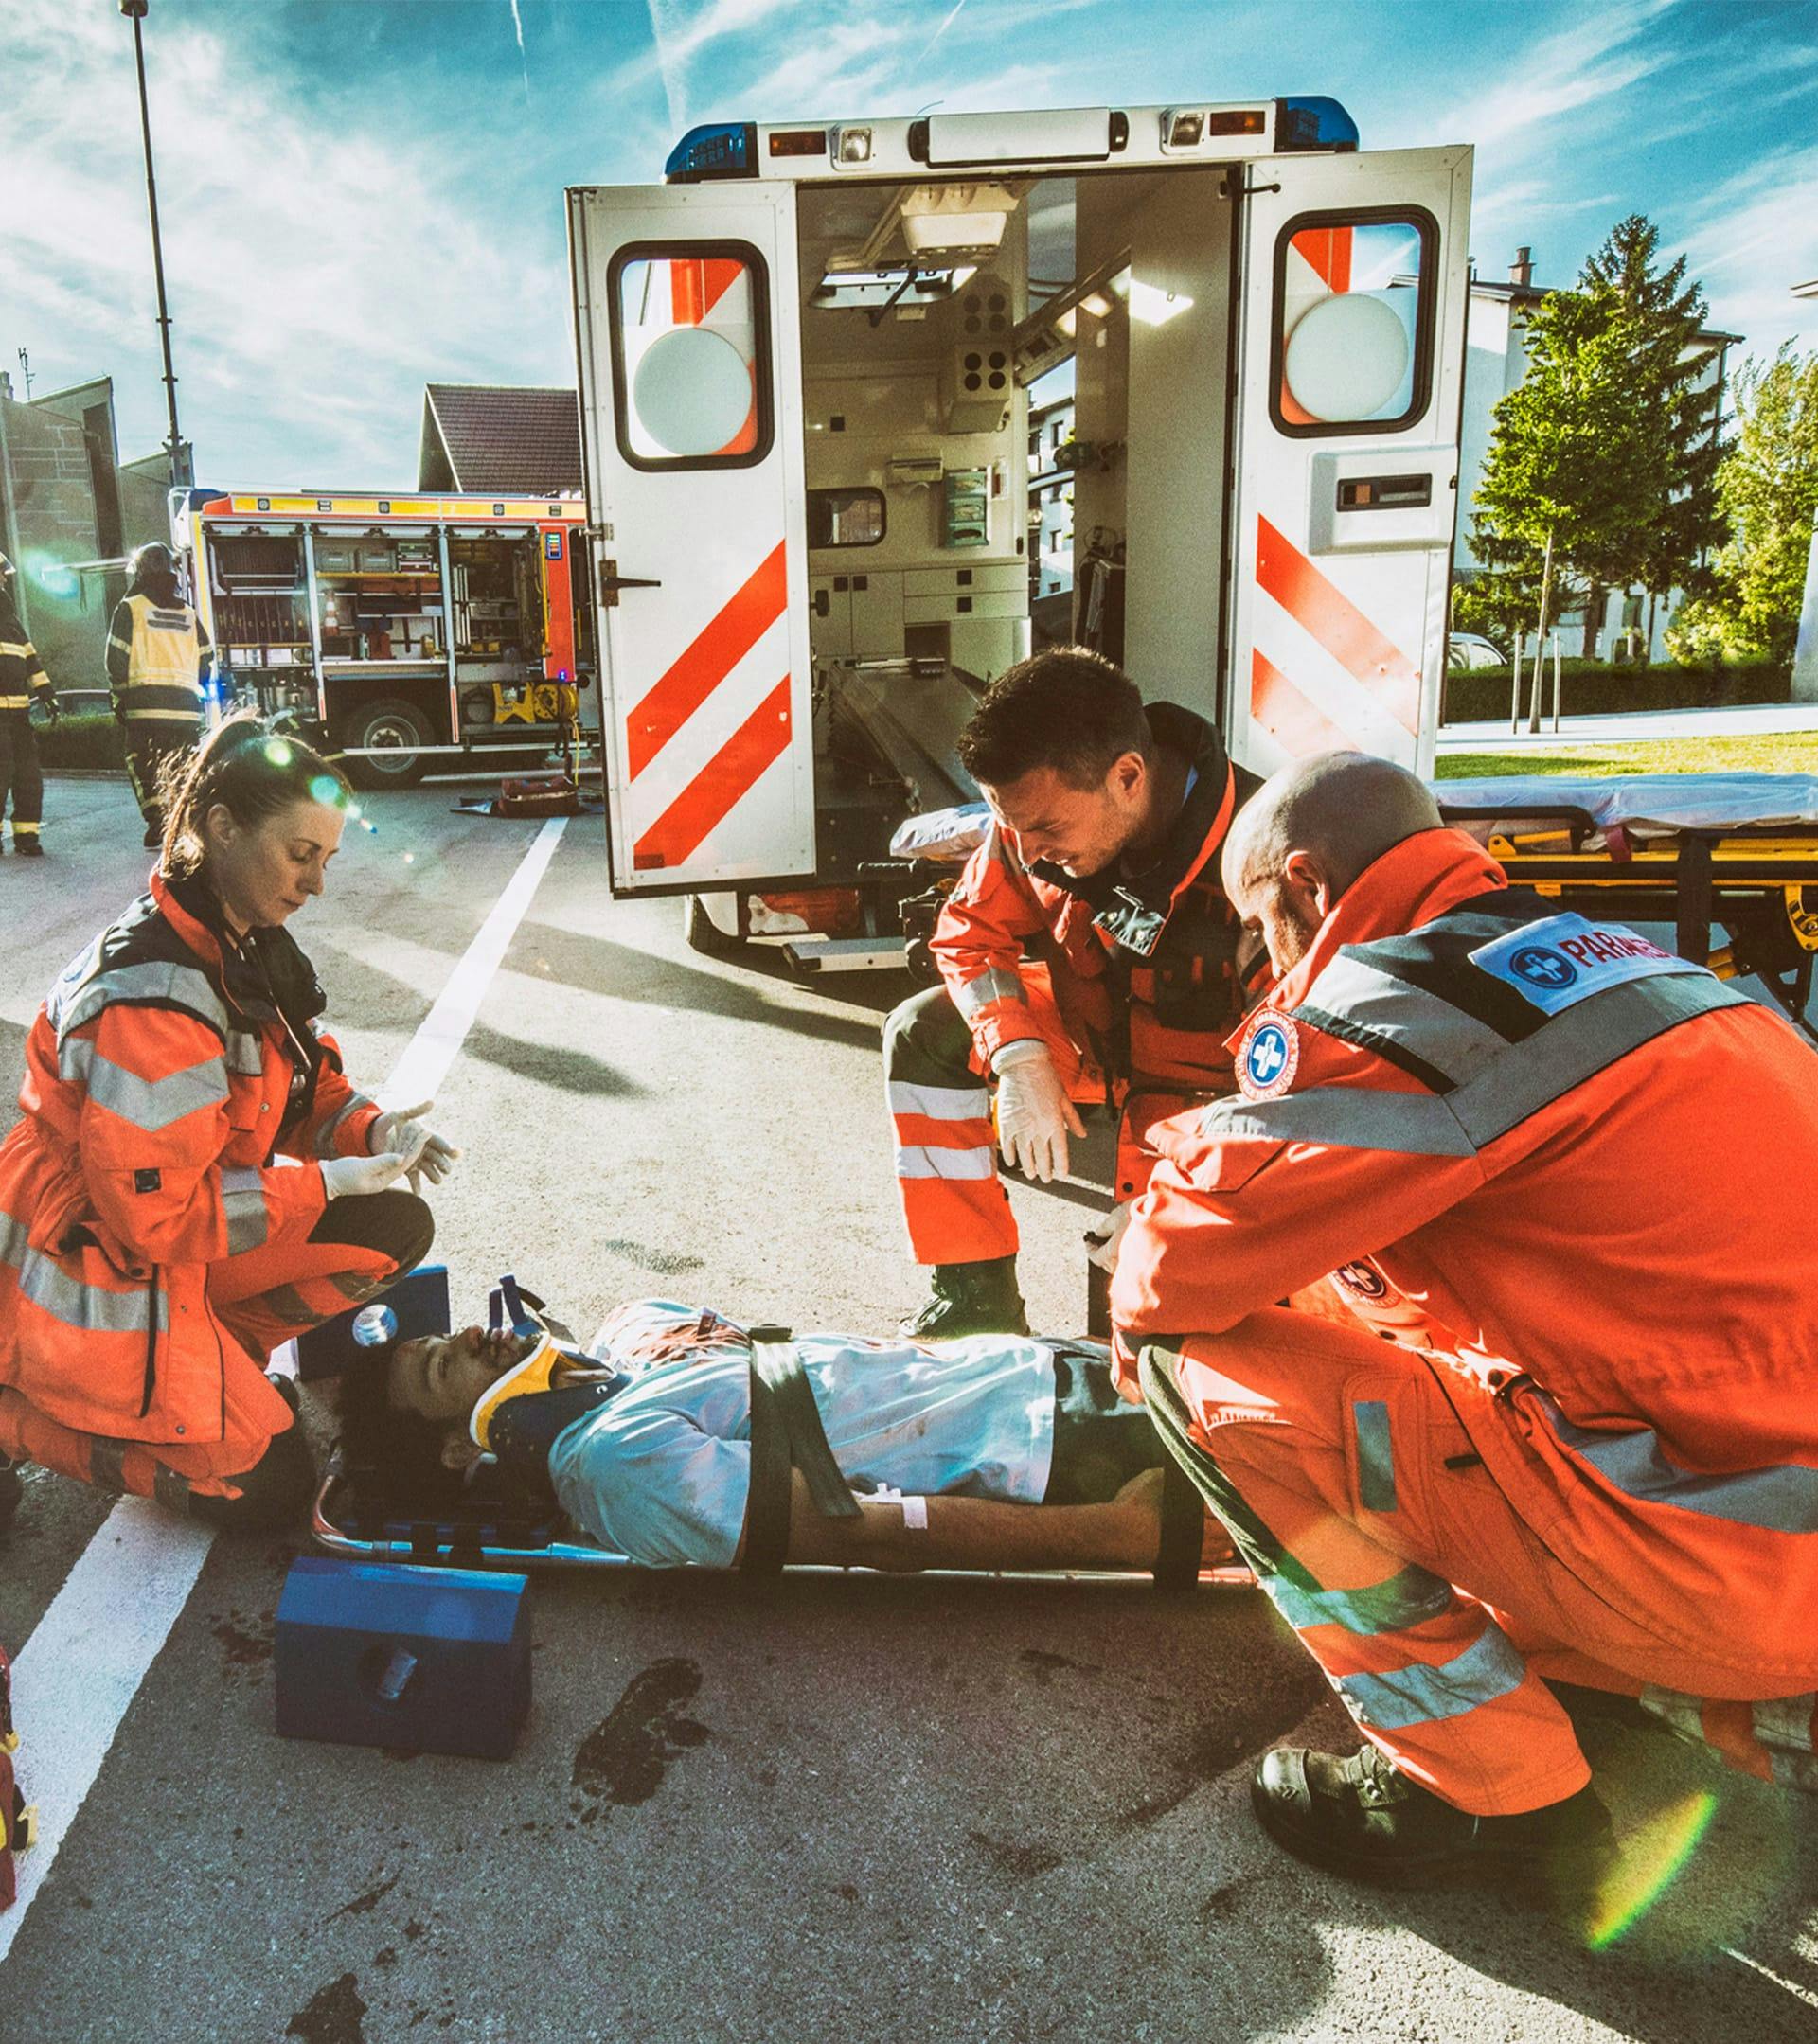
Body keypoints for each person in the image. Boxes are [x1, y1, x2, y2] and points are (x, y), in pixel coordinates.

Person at [1109, 749, 1818, 1890]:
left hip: (1714, 1565)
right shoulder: (1648, 969)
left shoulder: (1414, 1001)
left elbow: (1173, 1266)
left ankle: (1480, 1780)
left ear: (1305, 885)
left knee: (1187, 1363)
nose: (1267, 965)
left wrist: (1147, 1293)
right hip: (1774, 1513)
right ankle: (1594, 1664)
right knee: (1399, 1326)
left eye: (1262, 931)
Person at [0, 713, 457, 1535]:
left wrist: (374, 1131)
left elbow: (301, 1093)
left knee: (391, 1223)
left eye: (326, 859)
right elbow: (156, 1218)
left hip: (172, 1245)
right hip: (96, 1261)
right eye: (300, 854)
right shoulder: (155, 998)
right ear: (221, 827)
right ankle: (18, 1417)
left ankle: (207, 1360)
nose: (317, 883)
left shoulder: (240, 942)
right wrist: (318, 1182)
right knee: (271, 1490)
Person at [333, 1289, 1231, 1577]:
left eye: (442, 1333)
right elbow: (861, 1529)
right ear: (462, 1448)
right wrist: (1112, 1536)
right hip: (1060, 1451)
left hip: (1056, 1362)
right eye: (442, 1366)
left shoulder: (632, 1334)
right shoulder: (618, 1466)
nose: (465, 1336)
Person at [884, 647, 1256, 1340]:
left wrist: (1186, 1196)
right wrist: (1018, 1055)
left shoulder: (1261, 856)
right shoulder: (1032, 824)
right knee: (920, 1032)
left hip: (1214, 1098)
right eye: (1011, 828)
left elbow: (1303, 1083)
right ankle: (974, 1296)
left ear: (1128, 776)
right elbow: (967, 935)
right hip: (1095, 1042)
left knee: (1142, 1348)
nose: (1026, 852)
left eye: (1046, 831)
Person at [107, 540, 214, 850]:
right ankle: (182, 822)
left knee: (142, 762)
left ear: (139, 572)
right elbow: (206, 660)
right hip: (185, 710)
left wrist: (119, 697)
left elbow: (115, 658)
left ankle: (158, 821)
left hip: (144, 707)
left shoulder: (130, 608)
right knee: (182, 764)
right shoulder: (189, 614)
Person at [0, 550, 58, 858]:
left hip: (20, 715)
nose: (4, 581)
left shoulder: (12, 624)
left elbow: (32, 662)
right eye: (1, 575)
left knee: (28, 778)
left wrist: (47, 694)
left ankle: (27, 837)